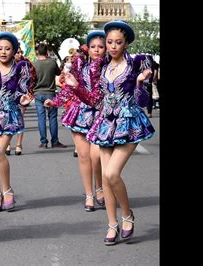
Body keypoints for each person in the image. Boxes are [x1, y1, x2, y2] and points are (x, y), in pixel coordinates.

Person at [65, 20, 155, 245]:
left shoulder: (135, 65)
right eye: (109, 42)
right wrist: (75, 86)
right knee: (105, 177)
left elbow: (143, 100)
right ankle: (111, 224)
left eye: (118, 42)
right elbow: (95, 100)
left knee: (112, 174)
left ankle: (127, 214)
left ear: (126, 44)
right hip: (104, 124)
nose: (113, 46)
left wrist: (140, 83)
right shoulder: (103, 68)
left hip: (129, 123)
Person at [44, 31, 106, 212]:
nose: (96, 50)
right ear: (88, 48)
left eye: (100, 47)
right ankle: (89, 194)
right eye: (93, 46)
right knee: (84, 157)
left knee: (97, 158)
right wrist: (54, 102)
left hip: (100, 114)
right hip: (80, 113)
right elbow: (69, 89)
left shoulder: (108, 67)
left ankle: (100, 188)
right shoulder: (80, 66)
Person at [0, 32, 32, 212]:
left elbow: (21, 90)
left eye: (7, 48)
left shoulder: (20, 68)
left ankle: (7, 190)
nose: (3, 52)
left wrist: (23, 100)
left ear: (14, 51)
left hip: (9, 115)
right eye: (0, 48)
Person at [33, 43, 67, 149]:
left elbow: (31, 79)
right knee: (52, 118)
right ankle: (55, 141)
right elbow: (58, 73)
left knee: (41, 118)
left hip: (38, 93)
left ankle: (43, 141)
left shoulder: (33, 64)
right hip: (51, 92)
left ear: (37, 52)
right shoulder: (52, 62)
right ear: (47, 51)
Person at [5, 46, 36, 156]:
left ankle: (18, 145)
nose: (18, 54)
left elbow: (33, 78)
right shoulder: (7, 64)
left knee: (19, 119)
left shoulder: (27, 64)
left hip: (22, 95)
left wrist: (29, 92)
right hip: (8, 96)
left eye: (20, 52)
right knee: (8, 119)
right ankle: (7, 144)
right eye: (16, 52)